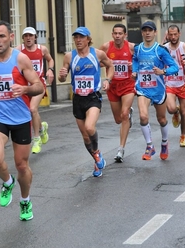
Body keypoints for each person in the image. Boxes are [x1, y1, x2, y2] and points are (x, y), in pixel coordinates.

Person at [0, 21, 43, 221]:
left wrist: (25, 89)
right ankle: (7, 182)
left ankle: (25, 200)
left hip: (21, 119)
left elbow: (39, 86)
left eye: (2, 36)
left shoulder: (20, 59)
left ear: (11, 37)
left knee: (21, 165)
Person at [58, 26, 114, 177]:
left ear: (88, 39)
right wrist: (62, 75)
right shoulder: (69, 57)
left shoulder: (98, 54)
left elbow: (110, 66)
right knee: (85, 136)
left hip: (93, 97)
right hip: (77, 99)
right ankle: (97, 160)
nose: (78, 40)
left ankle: (97, 153)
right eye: (76, 37)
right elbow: (62, 77)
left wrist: (108, 79)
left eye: (81, 37)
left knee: (90, 127)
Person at [131, 21, 179, 160]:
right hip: (143, 89)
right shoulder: (138, 48)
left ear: (155, 32)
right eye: (145, 30)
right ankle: (150, 146)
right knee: (143, 116)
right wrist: (134, 71)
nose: (147, 33)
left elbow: (174, 67)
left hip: (158, 90)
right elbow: (135, 60)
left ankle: (164, 142)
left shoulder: (160, 50)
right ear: (142, 32)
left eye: (150, 30)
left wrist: (163, 71)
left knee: (162, 119)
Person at [99, 23, 135, 162]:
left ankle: (121, 149)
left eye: (120, 33)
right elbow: (97, 61)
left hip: (128, 85)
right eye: (115, 33)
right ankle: (128, 114)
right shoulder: (106, 47)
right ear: (112, 34)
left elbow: (141, 60)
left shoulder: (131, 47)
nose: (118, 36)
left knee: (124, 115)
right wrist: (108, 63)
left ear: (125, 35)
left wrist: (134, 65)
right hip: (113, 86)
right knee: (118, 119)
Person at [15, 27, 54, 154]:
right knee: (30, 111)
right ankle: (42, 128)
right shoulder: (18, 50)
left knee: (33, 109)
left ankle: (36, 138)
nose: (28, 38)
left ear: (35, 37)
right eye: (25, 36)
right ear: (23, 38)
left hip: (39, 85)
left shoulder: (41, 49)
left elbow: (50, 59)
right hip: (25, 87)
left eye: (30, 36)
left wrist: (50, 70)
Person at [164, 25, 185, 147]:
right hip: (169, 83)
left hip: (183, 83)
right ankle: (175, 112)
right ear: (167, 35)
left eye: (175, 34)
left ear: (179, 34)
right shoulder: (164, 48)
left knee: (184, 112)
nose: (173, 37)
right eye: (170, 35)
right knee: (171, 109)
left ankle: (183, 136)